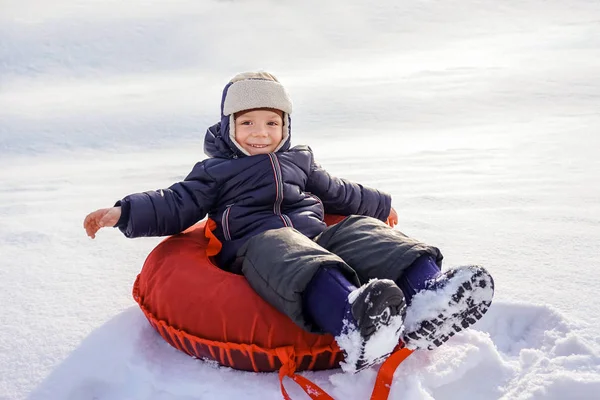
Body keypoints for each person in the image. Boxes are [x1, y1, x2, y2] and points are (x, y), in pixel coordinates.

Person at [84, 71, 494, 372]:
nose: (260, 134)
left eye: (271, 122)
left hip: (315, 235)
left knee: (358, 231)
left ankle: (430, 300)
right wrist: (124, 212)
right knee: (287, 248)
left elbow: (338, 192)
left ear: (285, 125)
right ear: (228, 127)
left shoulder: (300, 160)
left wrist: (380, 205)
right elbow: (175, 202)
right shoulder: (214, 172)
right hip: (257, 248)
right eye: (247, 122)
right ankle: (354, 321)